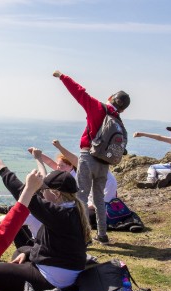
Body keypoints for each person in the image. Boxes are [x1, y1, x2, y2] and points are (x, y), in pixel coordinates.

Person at [0, 159, 91, 291]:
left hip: (52, 280)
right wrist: (29, 254)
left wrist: (1, 167)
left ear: (56, 194)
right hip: (61, 270)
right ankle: (9, 286)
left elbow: (21, 192)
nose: (40, 193)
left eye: (43, 190)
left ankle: (12, 288)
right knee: (21, 251)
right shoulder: (73, 209)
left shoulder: (58, 214)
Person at [53, 70, 130, 245]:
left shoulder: (97, 107)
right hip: (104, 163)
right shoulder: (118, 120)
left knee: (80, 197)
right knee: (98, 200)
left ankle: (83, 236)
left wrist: (62, 76)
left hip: (88, 157)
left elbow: (78, 92)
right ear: (123, 109)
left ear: (110, 97)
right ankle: (102, 235)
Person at [134, 123, 171, 189]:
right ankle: (163, 177)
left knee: (152, 167)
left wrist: (142, 134)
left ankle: (150, 181)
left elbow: (159, 137)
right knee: (161, 169)